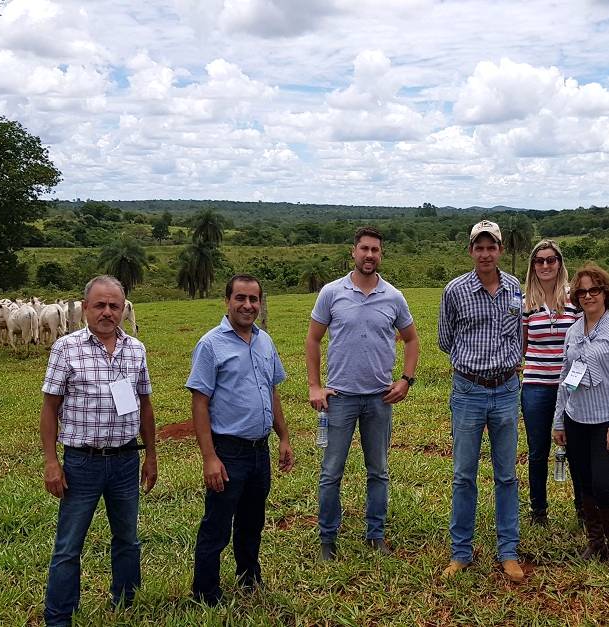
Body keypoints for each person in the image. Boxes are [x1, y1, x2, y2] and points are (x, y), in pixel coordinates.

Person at [40, 275, 157, 627]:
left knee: (128, 539)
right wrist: (51, 461)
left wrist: (151, 455)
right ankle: (59, 616)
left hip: (125, 460)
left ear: (123, 309)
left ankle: (126, 602)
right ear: (85, 308)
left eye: (114, 306)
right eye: (100, 305)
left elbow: (145, 406)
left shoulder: (136, 350)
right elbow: (49, 408)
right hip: (81, 463)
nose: (107, 312)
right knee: (68, 545)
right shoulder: (66, 348)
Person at [306, 226, 420, 560]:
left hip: (379, 398)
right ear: (353, 252)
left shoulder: (393, 296)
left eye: (375, 250)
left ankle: (376, 535)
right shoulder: (331, 293)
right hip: (339, 397)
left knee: (378, 471)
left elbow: (411, 339)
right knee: (331, 472)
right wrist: (314, 385)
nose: (369, 255)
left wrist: (406, 380)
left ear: (380, 255)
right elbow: (313, 339)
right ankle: (327, 539)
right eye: (364, 249)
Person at [188, 274, 295, 605]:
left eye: (254, 299)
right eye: (240, 298)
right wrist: (210, 458)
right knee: (217, 526)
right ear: (227, 302)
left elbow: (272, 391)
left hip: (259, 451)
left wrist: (284, 437)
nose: (248, 305)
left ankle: (249, 577)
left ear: (260, 303)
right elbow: (199, 403)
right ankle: (205, 592)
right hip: (228, 451)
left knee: (252, 521)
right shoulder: (210, 345)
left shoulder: (265, 342)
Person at [437, 219, 525, 582]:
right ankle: (461, 553)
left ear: (500, 250)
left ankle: (508, 551)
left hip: (506, 390)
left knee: (506, 476)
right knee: (463, 477)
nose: (485, 253)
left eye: (492, 247)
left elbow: (518, 334)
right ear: (471, 251)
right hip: (468, 391)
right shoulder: (454, 291)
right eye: (479, 247)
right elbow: (445, 340)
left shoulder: (515, 288)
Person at [552, 263, 609, 573]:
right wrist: (559, 420)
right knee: (584, 483)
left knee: (604, 485)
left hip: (606, 422)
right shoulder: (573, 331)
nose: (588, 296)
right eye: (582, 291)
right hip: (577, 419)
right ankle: (595, 541)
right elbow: (566, 376)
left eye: (594, 290)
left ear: (605, 293)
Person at [520, 239, 581, 525]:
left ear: (559, 263)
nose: (545, 265)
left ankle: (583, 509)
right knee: (537, 450)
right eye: (539, 260)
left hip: (571, 386)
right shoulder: (526, 302)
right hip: (535, 386)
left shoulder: (575, 298)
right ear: (533, 266)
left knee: (578, 448)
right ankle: (538, 511)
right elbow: (522, 345)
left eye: (551, 260)